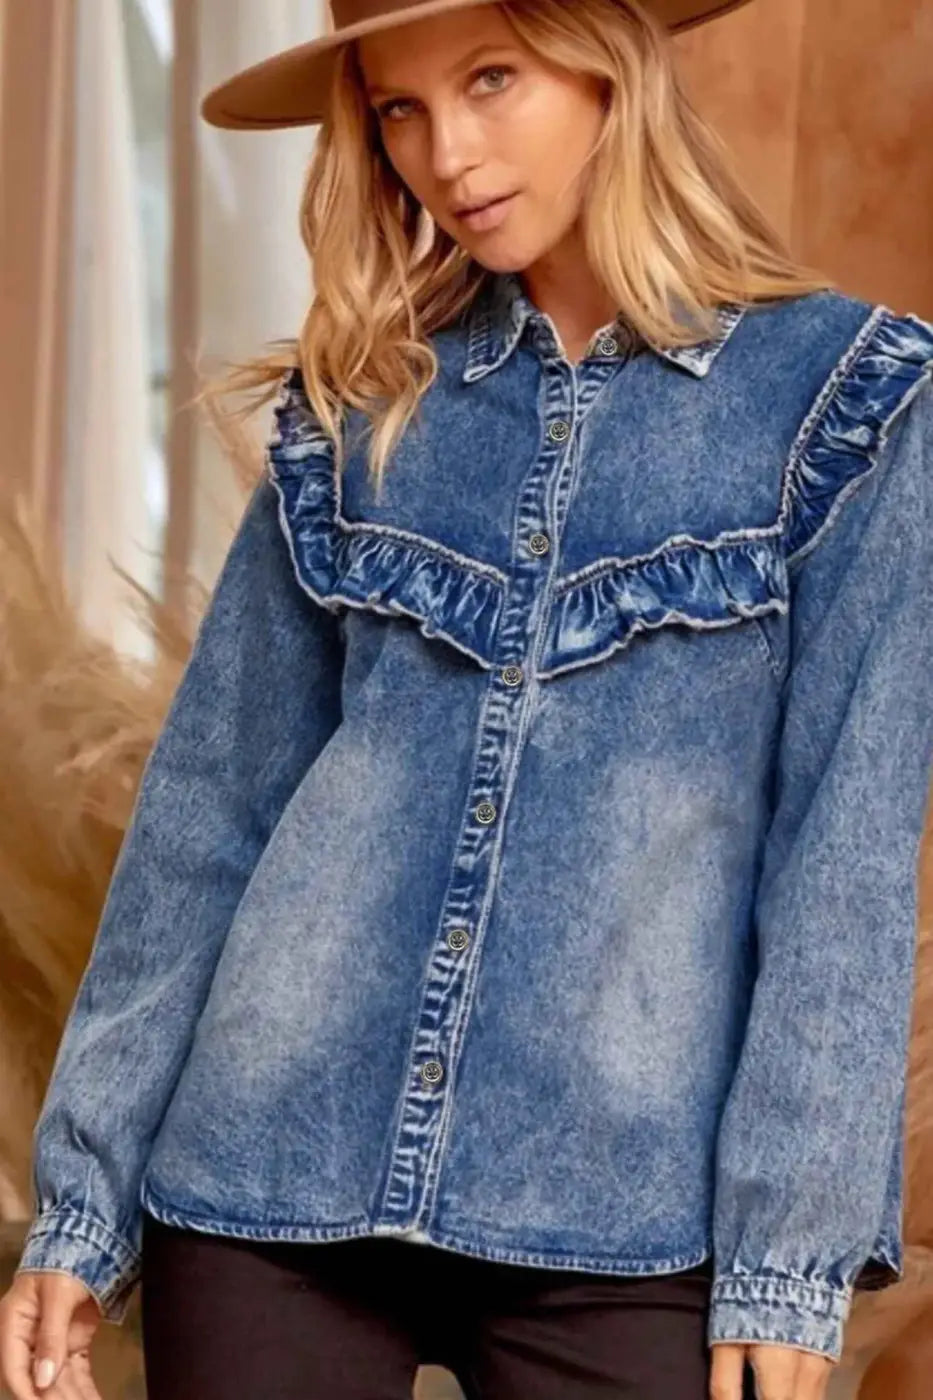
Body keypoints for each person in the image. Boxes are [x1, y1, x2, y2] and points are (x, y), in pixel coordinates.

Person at [2, 0, 932, 1397]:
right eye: (399, 108)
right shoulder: (360, 400)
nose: (448, 152)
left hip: (628, 1217)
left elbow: (842, 864)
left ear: (604, 58)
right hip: (270, 1175)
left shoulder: (842, 401)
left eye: (490, 78)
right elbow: (208, 819)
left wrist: (785, 1263)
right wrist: (82, 1200)